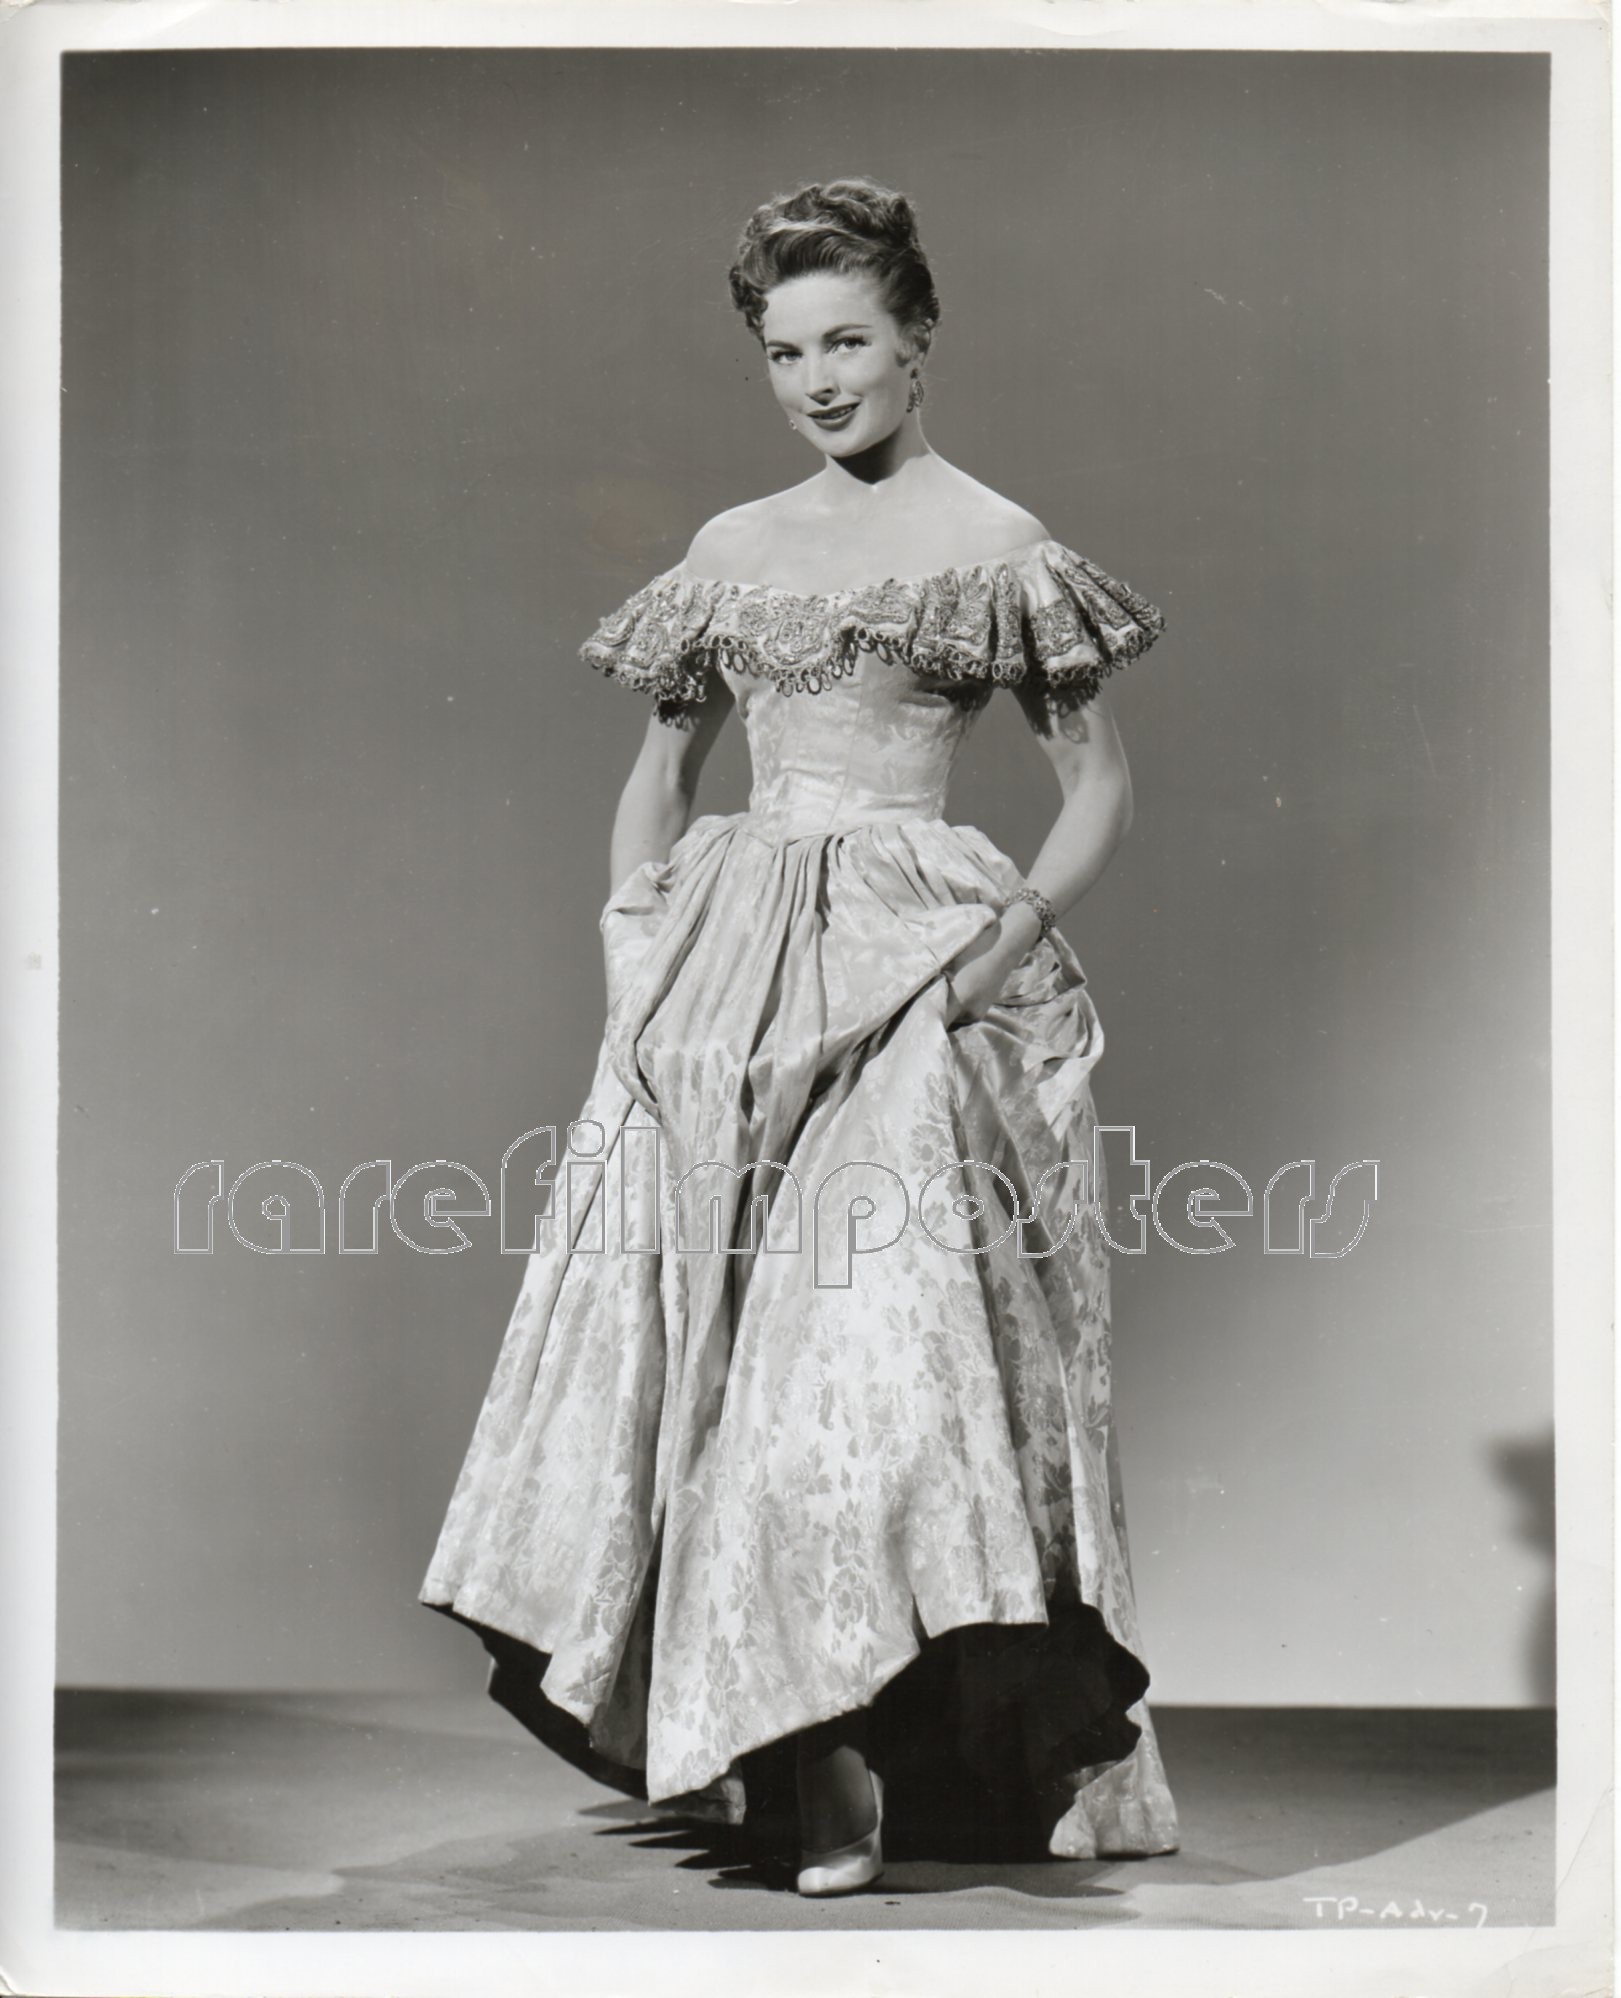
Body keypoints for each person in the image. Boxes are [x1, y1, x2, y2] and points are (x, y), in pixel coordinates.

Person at [420, 176, 1180, 1897]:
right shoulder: (730, 548)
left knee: (858, 1370)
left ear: (919, 340)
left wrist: (984, 963)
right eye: (785, 352)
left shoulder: (997, 541)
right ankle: (782, 1749)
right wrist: (638, 957)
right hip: (726, 973)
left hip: (908, 966)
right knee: (702, 1350)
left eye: (847, 342)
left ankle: (846, 1746)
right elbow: (660, 775)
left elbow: (1100, 791)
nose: (817, 380)